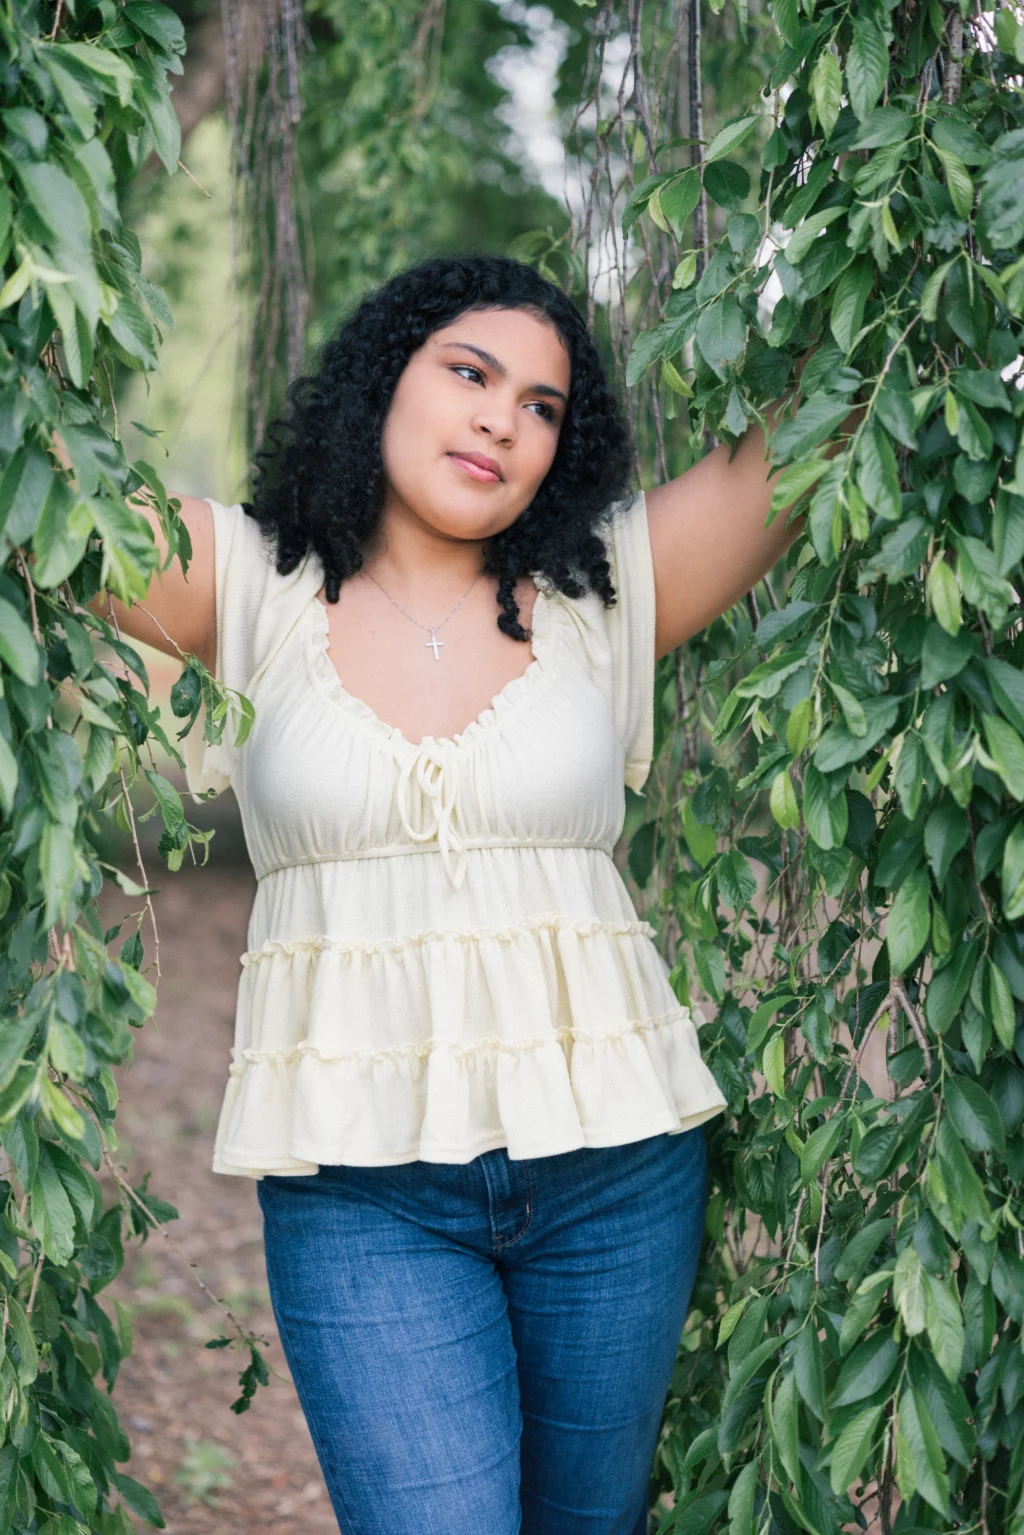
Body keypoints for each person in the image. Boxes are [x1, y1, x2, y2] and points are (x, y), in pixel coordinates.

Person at [91, 253, 813, 1534]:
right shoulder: (245, 582)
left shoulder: (601, 590)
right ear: (383, 377)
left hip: (615, 1172)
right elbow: (40, 489)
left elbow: (833, 407)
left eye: (542, 405)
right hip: (361, 1189)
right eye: (470, 373)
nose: (501, 420)